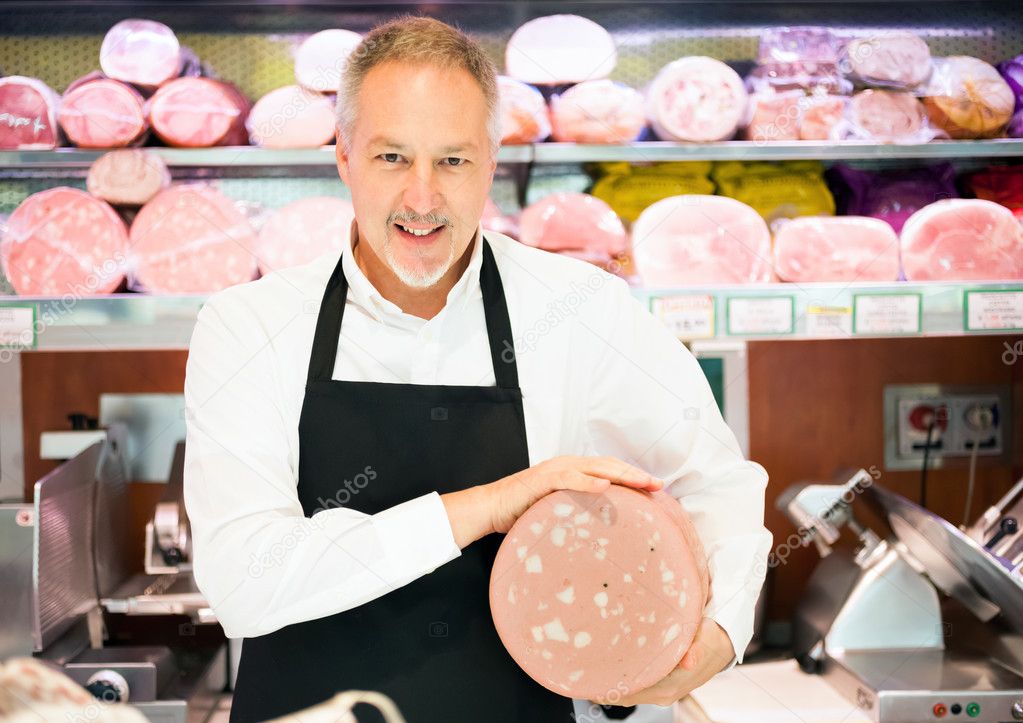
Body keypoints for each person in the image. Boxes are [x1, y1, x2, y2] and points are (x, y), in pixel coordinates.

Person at [183, 15, 771, 723]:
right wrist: (484, 506)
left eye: (453, 160)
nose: (423, 198)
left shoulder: (580, 308)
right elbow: (241, 579)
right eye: (391, 158)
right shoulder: (249, 325)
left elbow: (714, 480)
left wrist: (722, 630)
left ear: (491, 161)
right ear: (343, 156)